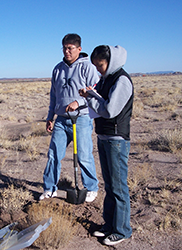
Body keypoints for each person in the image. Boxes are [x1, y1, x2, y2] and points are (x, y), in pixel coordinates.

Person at [79, 45, 133, 246]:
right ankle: (110, 225)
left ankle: (122, 230)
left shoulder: (122, 80)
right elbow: (102, 103)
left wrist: (92, 98)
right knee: (110, 185)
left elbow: (110, 110)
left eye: (100, 65)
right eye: (95, 66)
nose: (98, 69)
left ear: (110, 62)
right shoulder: (106, 79)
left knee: (118, 187)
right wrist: (92, 95)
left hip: (116, 139)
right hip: (104, 136)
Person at [40, 33, 99, 202]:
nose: (67, 51)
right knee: (53, 155)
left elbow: (95, 91)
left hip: (81, 119)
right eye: (64, 48)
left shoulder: (87, 67)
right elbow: (54, 95)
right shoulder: (57, 68)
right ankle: (50, 188)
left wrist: (78, 102)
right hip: (61, 119)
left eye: (70, 48)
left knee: (84, 155)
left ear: (79, 49)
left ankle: (90, 187)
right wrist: (50, 116)